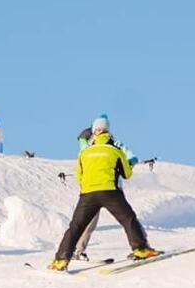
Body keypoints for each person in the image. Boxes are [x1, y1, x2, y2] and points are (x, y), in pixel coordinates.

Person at [50, 115, 157, 270]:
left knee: (76, 226)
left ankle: (60, 260)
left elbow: (79, 175)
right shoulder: (115, 150)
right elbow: (127, 174)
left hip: (88, 194)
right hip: (110, 192)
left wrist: (89, 184)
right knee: (128, 219)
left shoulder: (84, 152)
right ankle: (141, 249)